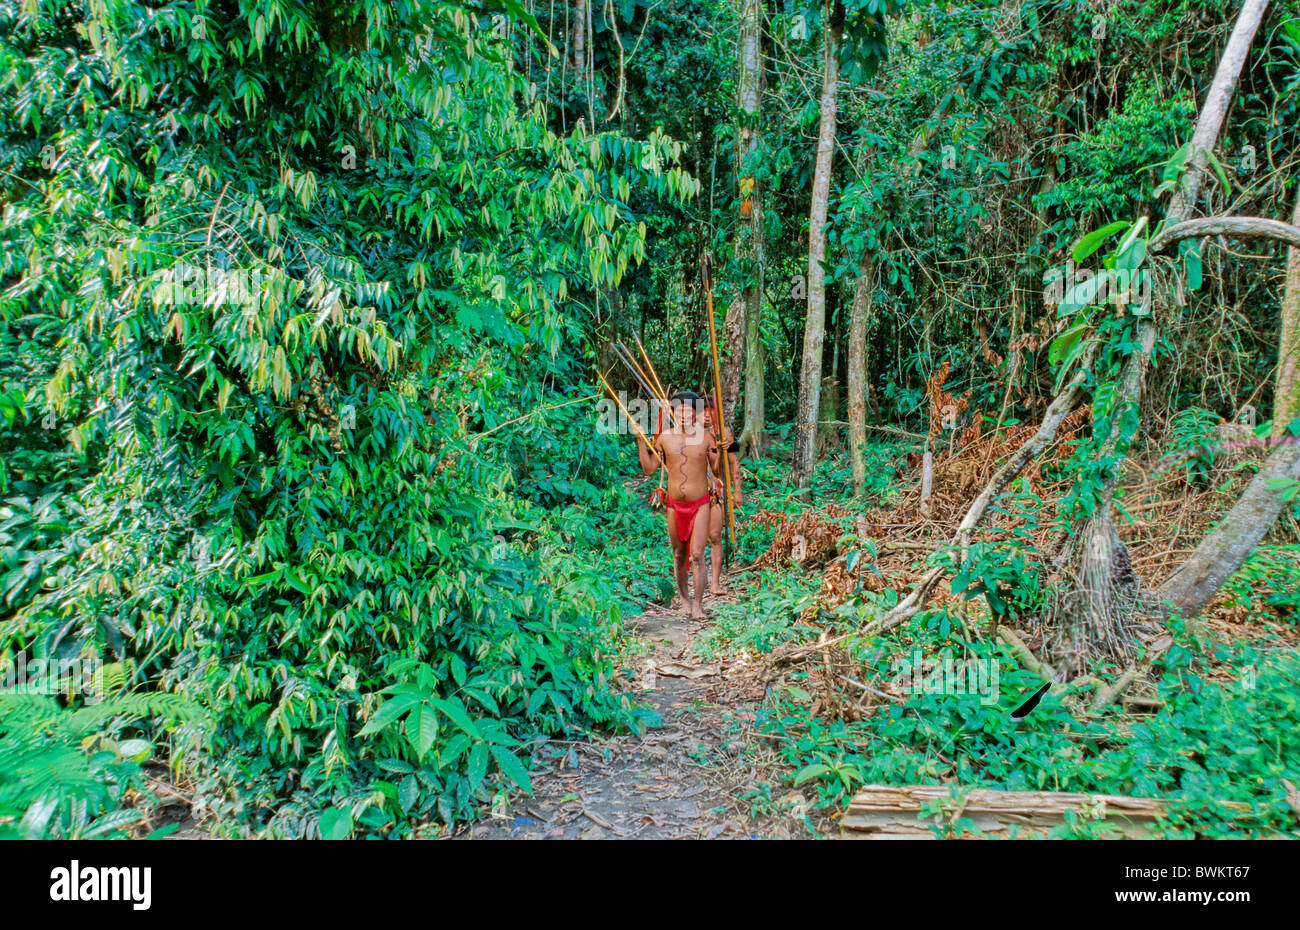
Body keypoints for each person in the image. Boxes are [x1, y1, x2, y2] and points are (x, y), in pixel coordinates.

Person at [635, 391, 717, 619]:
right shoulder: (664, 437)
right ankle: (684, 600)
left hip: (700, 504)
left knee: (698, 554)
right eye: (678, 410)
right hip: (673, 505)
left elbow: (718, 470)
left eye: (687, 410)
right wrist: (641, 442)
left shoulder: (707, 437)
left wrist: (722, 448)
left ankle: (698, 605)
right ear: (673, 412)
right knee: (679, 555)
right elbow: (649, 469)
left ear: (694, 413)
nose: (682, 414)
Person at [700, 394, 742, 596]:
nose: (707, 415)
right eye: (703, 410)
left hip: (715, 490)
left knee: (715, 535)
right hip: (694, 491)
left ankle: (715, 582)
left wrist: (737, 490)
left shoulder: (723, 432)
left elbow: (734, 461)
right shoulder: (690, 432)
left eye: (711, 411)